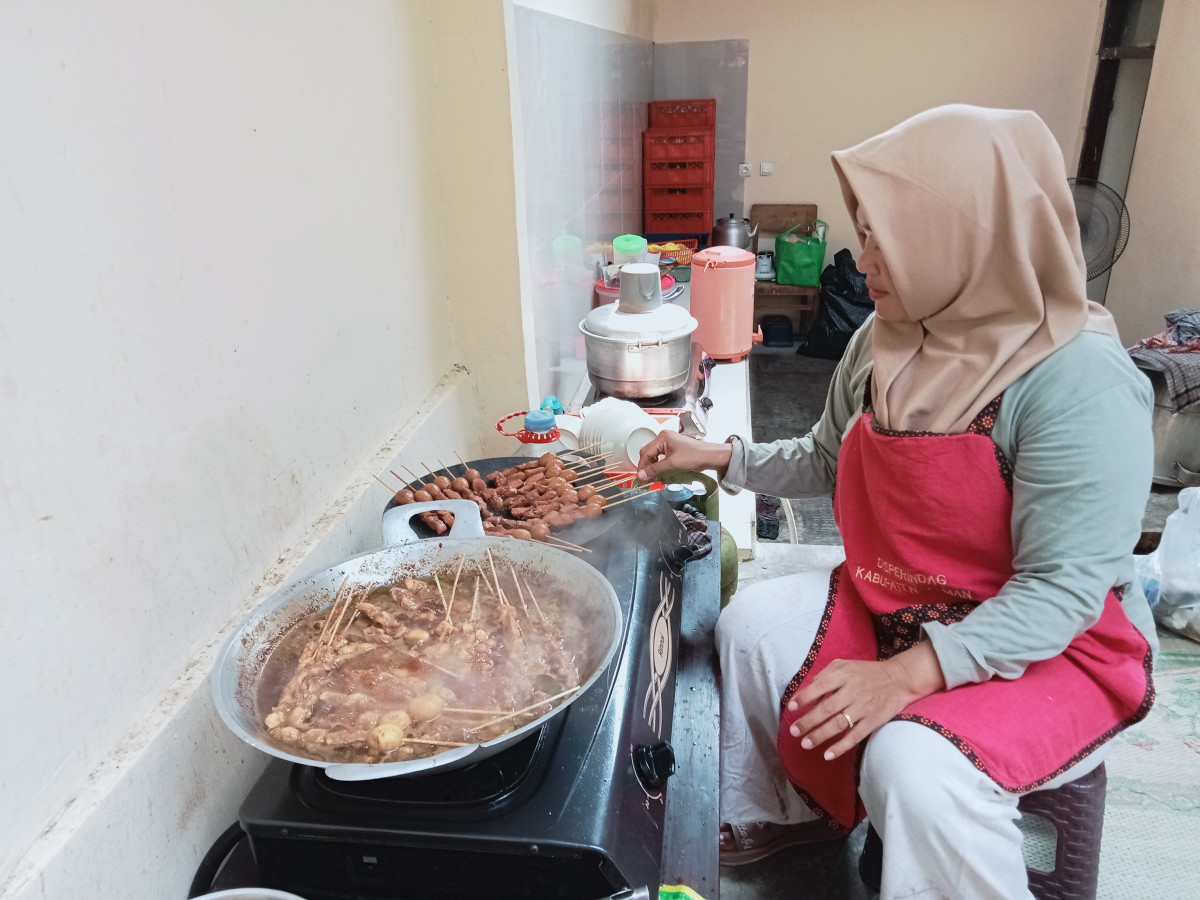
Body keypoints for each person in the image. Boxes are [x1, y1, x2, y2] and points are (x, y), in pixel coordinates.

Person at [637, 104, 1156, 899]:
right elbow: (823, 454)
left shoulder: (1075, 380)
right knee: (747, 629)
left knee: (912, 764)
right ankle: (791, 813)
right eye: (865, 231)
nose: (862, 257)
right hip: (905, 603)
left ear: (967, 233)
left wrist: (915, 674)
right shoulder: (886, 337)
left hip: (1056, 643)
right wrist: (718, 456)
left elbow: (1063, 592)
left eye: (885, 234)